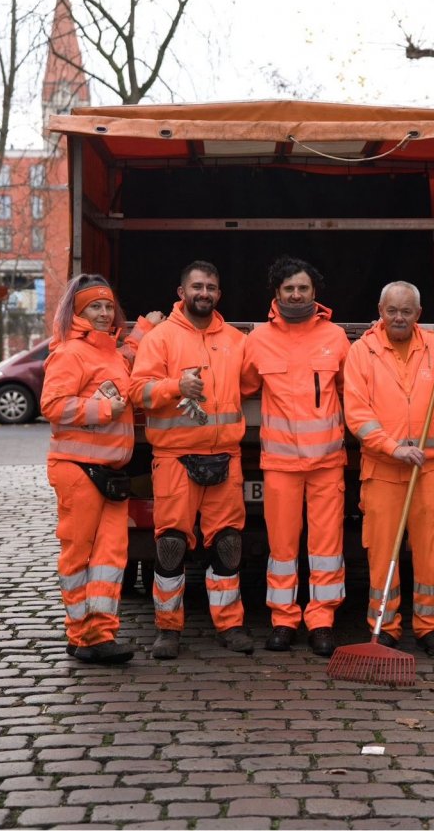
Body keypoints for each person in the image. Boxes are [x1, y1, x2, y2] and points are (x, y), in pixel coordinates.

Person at [129, 260, 253, 659]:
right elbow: (138, 392)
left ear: (219, 294)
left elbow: (249, 385)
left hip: (225, 456)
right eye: (197, 286)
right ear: (181, 292)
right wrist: (175, 386)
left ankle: (230, 625)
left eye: (212, 287)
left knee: (229, 544)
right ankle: (168, 629)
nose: (205, 293)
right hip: (175, 457)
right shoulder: (160, 338)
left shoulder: (236, 340)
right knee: (170, 545)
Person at [41, 273, 164, 664]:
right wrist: (102, 409)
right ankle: (81, 634)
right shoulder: (68, 353)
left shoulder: (110, 351)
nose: (103, 312)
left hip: (109, 474)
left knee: (111, 557)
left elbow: (126, 360)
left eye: (108, 306)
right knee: (79, 557)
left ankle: (100, 634)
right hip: (78, 470)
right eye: (95, 306)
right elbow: (52, 405)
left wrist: (144, 330)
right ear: (78, 311)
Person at [344, 281, 434, 657]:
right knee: (382, 552)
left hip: (429, 471)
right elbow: (357, 414)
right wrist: (392, 447)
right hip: (382, 470)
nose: (398, 318)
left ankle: (430, 627)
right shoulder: (361, 353)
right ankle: (386, 626)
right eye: (392, 311)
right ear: (380, 311)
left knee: (430, 550)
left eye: (406, 311)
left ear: (418, 315)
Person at [241, 256, 350, 658]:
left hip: (326, 464)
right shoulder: (257, 339)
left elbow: (351, 390)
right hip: (281, 465)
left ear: (314, 293)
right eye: (289, 288)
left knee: (326, 547)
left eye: (303, 288)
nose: (296, 294)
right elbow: (244, 386)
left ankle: (322, 620)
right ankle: (283, 620)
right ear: (276, 293)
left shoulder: (336, 337)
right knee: (282, 548)